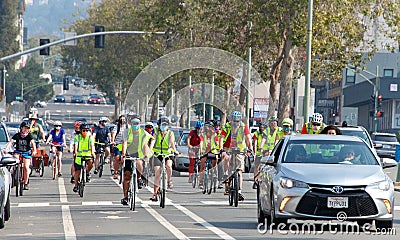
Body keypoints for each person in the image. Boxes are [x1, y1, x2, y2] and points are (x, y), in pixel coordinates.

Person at [219, 111, 254, 201]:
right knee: (226, 158)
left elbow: (248, 138)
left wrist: (250, 149)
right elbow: (222, 138)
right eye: (234, 121)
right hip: (228, 148)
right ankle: (226, 174)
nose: (235, 123)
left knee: (239, 171)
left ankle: (238, 192)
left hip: (240, 149)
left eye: (237, 122)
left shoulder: (243, 126)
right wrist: (221, 149)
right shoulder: (227, 126)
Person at [120, 114, 154, 205]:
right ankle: (126, 197)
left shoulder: (143, 133)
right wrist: (123, 155)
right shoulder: (127, 132)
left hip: (139, 153)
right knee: (127, 176)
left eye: (137, 123)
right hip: (128, 153)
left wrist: (147, 155)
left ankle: (139, 178)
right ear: (131, 124)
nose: (135, 125)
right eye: (134, 123)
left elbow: (145, 144)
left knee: (139, 163)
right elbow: (124, 143)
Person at [150, 116, 180, 202]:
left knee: (169, 166)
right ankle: (155, 193)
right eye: (162, 124)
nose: (164, 126)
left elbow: (172, 143)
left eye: (165, 125)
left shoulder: (170, 133)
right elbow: (153, 141)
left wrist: (175, 151)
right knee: (157, 173)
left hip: (167, 153)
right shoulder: (156, 131)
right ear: (159, 125)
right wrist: (150, 150)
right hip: (157, 153)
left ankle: (169, 180)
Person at [4, 121, 37, 190]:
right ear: (21, 128)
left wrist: (34, 150)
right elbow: (11, 142)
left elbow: (33, 143)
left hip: (26, 152)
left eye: (27, 128)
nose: (26, 130)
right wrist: (6, 149)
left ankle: (25, 182)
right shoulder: (17, 135)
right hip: (18, 152)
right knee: (16, 160)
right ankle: (15, 174)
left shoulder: (29, 136)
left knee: (26, 167)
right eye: (25, 128)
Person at [73, 123, 95, 192]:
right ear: (80, 130)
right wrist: (75, 152)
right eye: (83, 130)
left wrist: (93, 153)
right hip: (79, 155)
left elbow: (92, 146)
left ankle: (87, 172)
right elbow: (75, 145)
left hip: (88, 155)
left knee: (91, 163)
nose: (85, 132)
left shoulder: (90, 137)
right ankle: (76, 185)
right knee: (77, 171)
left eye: (86, 130)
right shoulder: (77, 137)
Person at [198, 120, 219, 189]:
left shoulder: (214, 135)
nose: (207, 128)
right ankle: (200, 182)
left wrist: (218, 147)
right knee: (202, 166)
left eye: (209, 127)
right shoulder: (203, 135)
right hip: (204, 152)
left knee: (216, 159)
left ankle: (214, 172)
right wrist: (201, 151)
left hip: (213, 151)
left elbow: (217, 142)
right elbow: (201, 143)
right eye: (206, 127)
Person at [111, 115, 129, 179]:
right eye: (121, 119)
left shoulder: (128, 127)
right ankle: (115, 172)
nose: (122, 121)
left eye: (124, 120)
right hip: (118, 144)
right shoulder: (116, 127)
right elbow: (113, 134)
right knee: (117, 157)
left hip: (127, 145)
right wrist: (113, 141)